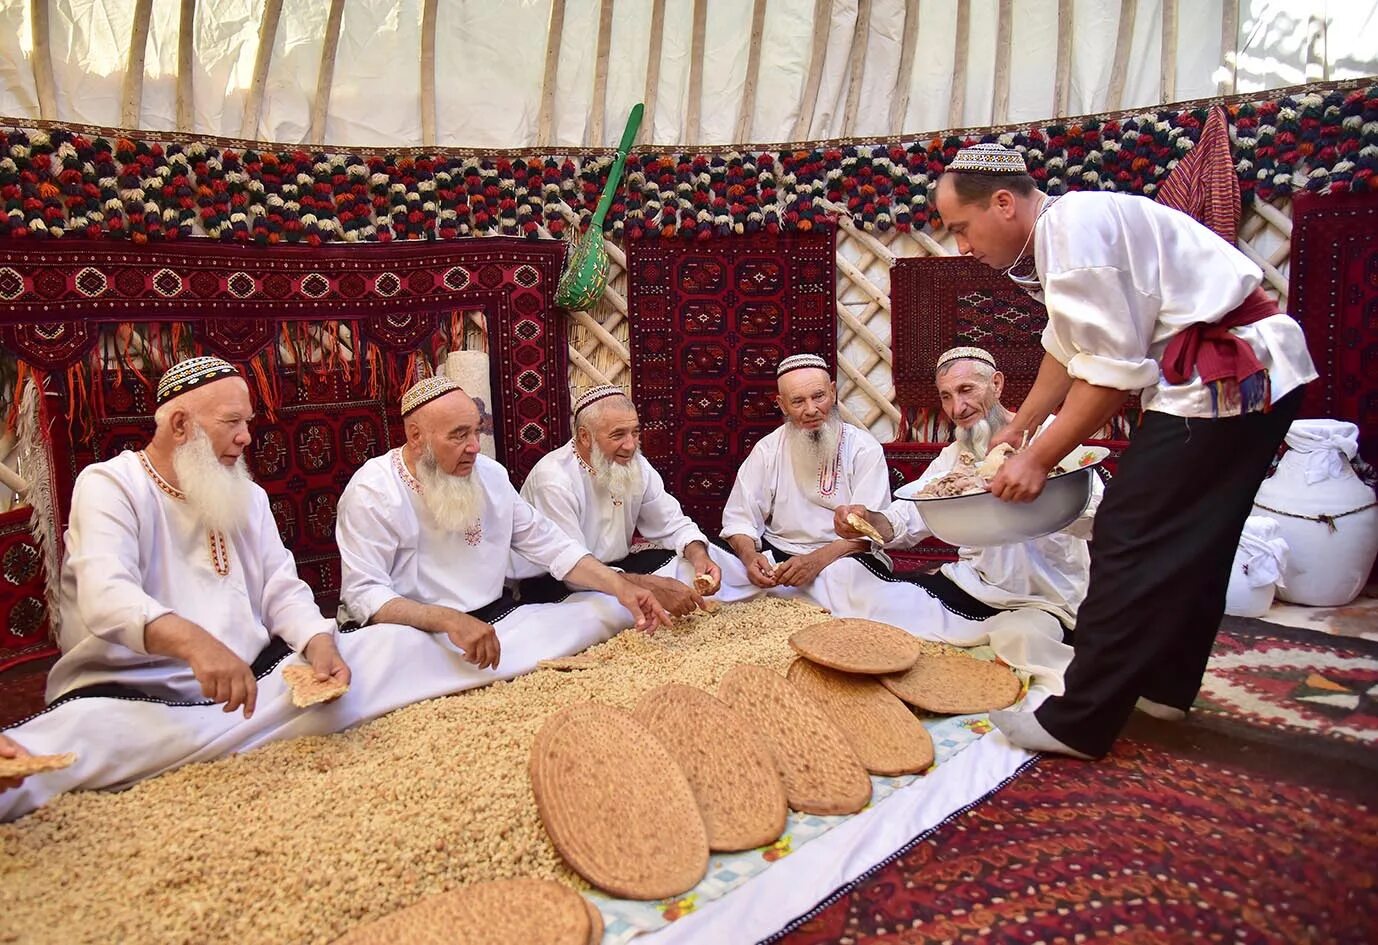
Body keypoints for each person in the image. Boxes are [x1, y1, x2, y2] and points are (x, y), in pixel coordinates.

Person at [931, 142, 1317, 758]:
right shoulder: (1065, 232)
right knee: (1197, 540)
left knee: (1128, 531)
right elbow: (1068, 346)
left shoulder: (1075, 241)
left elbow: (1110, 375)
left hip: (1227, 374)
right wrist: (1020, 427)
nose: (962, 246)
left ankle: (1077, 720)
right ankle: (1165, 686)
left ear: (1003, 204)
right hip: (1253, 375)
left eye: (961, 228)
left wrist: (1036, 459)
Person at [1, 356, 353, 819]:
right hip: (140, 699)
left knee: (377, 651)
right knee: (76, 742)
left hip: (249, 691)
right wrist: (195, 644)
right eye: (232, 422)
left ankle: (215, 738)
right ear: (181, 425)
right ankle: (209, 739)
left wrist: (319, 641)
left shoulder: (248, 495)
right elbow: (107, 597)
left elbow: (281, 588)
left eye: (246, 422)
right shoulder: (111, 485)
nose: (247, 437)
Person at [335, 374, 672, 678]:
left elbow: (551, 545)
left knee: (597, 614)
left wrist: (621, 587)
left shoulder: (491, 476)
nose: (474, 447)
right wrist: (448, 620)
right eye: (459, 435)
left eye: (477, 431)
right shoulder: (372, 492)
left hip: (494, 623)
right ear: (416, 436)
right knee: (376, 664)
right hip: (413, 632)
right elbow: (363, 593)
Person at [719, 353, 1000, 640]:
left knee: (856, 584)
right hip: (779, 560)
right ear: (782, 405)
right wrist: (751, 556)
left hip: (841, 560)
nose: (811, 409)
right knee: (714, 563)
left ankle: (799, 604)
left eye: (818, 396)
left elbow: (868, 538)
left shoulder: (863, 448)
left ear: (833, 392)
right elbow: (739, 519)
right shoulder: (768, 450)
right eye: (798, 401)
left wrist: (823, 556)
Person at [835, 345, 1102, 631]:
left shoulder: (1051, 439)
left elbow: (1097, 520)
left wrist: (1038, 498)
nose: (956, 409)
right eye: (946, 396)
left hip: (1048, 597)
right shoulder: (953, 458)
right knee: (876, 603)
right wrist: (866, 520)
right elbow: (905, 520)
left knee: (1023, 638)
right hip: (973, 586)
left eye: (966, 390)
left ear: (996, 384)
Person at [511, 385, 756, 617]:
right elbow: (571, 572)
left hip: (617, 569)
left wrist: (698, 556)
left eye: (635, 432)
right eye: (618, 435)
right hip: (559, 581)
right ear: (585, 437)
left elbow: (671, 523)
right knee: (603, 613)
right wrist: (649, 587)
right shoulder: (553, 480)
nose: (630, 446)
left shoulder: (635, 463)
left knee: (700, 562)